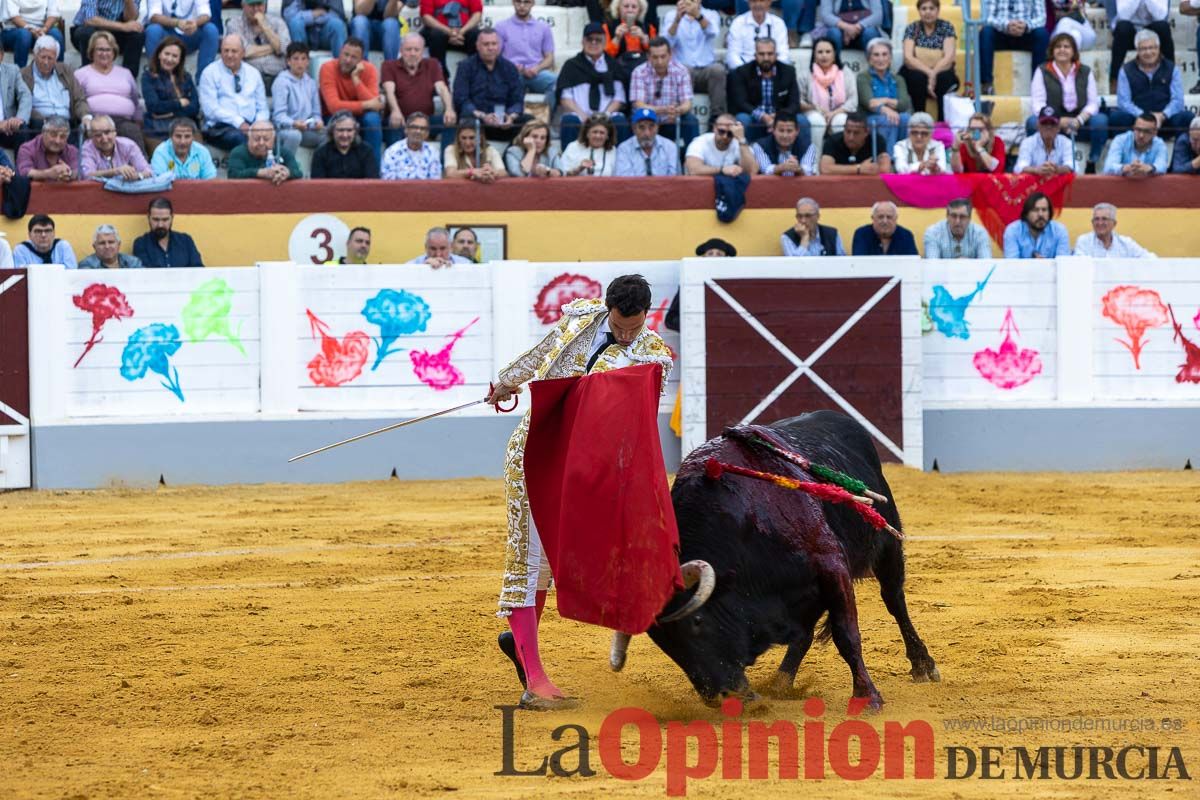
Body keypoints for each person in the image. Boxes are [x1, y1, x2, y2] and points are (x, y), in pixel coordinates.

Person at [487, 274, 673, 711]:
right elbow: (540, 356)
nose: (627, 333)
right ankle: (534, 679)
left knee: (556, 560)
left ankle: (521, 641)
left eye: (635, 325)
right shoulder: (582, 318)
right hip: (537, 451)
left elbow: (637, 427)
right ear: (608, 308)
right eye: (620, 324)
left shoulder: (654, 356)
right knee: (529, 559)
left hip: (591, 469)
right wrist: (505, 382)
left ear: (649, 315)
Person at [1028, 32, 1106, 173]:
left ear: (1073, 51)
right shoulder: (1042, 71)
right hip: (1051, 118)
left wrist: (1079, 120)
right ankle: (1040, 161)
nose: (1062, 50)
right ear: (1052, 50)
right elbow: (1038, 104)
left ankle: (1092, 161)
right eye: (1058, 46)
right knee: (1032, 122)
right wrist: (1057, 121)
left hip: (1080, 120)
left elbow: (1093, 103)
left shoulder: (1085, 71)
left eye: (1066, 46)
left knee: (1100, 121)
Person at [1111, 29, 1193, 140]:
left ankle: (1179, 153)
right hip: (1138, 121)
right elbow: (1124, 102)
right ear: (1137, 50)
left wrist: (1162, 115)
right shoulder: (1126, 70)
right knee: (1117, 117)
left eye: (1152, 48)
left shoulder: (1171, 68)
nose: (1148, 52)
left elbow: (1178, 100)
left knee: (1187, 117)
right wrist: (1145, 117)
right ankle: (1128, 151)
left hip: (1164, 121)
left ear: (1159, 48)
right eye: (1143, 49)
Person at [452, 28, 530, 145]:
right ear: (477, 46)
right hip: (478, 121)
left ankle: (513, 156)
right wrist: (483, 116)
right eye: (486, 44)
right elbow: (461, 100)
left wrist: (510, 117)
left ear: (499, 45)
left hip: (504, 123)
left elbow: (518, 100)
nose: (491, 48)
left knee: (530, 122)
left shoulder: (509, 68)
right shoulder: (465, 67)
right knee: (467, 120)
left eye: (494, 44)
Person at [557, 23, 628, 146]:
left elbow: (619, 98)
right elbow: (565, 98)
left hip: (606, 115)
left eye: (598, 40)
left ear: (605, 42)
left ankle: (620, 162)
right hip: (580, 115)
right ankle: (568, 162)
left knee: (620, 121)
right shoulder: (571, 66)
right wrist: (583, 116)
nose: (593, 43)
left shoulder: (613, 66)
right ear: (583, 41)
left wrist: (604, 116)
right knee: (569, 120)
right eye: (589, 39)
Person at [382, 33, 456, 148]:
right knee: (393, 124)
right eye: (408, 49)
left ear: (422, 52)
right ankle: (395, 164)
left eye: (416, 50)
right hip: (401, 120)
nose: (412, 53)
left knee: (450, 122)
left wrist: (449, 109)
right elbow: (389, 91)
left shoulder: (432, 64)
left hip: (425, 121)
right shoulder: (389, 66)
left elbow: (442, 88)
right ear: (401, 50)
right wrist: (395, 110)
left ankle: (444, 164)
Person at [75, 31, 145, 152]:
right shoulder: (81, 74)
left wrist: (138, 121)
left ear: (114, 52)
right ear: (92, 51)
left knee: (132, 131)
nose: (104, 53)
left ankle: (142, 170)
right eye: (100, 49)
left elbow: (135, 100)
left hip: (123, 120)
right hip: (94, 120)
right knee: (98, 133)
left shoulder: (125, 73)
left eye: (108, 49)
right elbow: (76, 100)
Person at [199, 34, 269, 151]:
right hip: (220, 128)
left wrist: (258, 126)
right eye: (225, 51)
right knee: (242, 140)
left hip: (251, 125)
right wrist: (239, 123)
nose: (229, 55)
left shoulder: (254, 73)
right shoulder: (209, 73)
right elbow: (210, 110)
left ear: (243, 53)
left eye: (234, 51)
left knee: (271, 137)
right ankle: (251, 169)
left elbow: (262, 108)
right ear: (220, 51)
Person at [728, 37, 802, 146]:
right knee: (742, 119)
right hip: (753, 117)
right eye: (761, 54)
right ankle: (743, 156)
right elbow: (741, 103)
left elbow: (794, 103)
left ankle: (803, 159)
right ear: (755, 55)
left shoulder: (788, 72)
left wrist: (779, 116)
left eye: (770, 54)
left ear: (776, 55)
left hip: (781, 117)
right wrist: (763, 116)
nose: (766, 58)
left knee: (802, 121)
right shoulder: (742, 72)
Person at [320, 37, 384, 163]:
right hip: (334, 117)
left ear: (361, 60)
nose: (348, 60)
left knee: (373, 119)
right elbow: (333, 107)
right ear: (340, 53)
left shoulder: (369, 69)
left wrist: (356, 79)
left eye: (354, 57)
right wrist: (366, 104)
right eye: (345, 54)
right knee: (363, 118)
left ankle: (373, 173)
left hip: (360, 117)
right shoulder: (328, 68)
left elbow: (375, 105)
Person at [660, 0, 726, 119]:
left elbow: (713, 33)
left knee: (718, 70)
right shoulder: (671, 15)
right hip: (682, 70)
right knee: (684, 70)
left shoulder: (711, 14)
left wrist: (698, 16)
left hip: (706, 70)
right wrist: (677, 20)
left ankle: (717, 117)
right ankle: (685, 115)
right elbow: (667, 43)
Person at [630, 37, 699, 148]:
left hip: (671, 120)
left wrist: (678, 110)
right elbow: (638, 104)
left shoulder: (681, 71)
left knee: (690, 121)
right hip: (647, 120)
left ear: (670, 55)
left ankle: (692, 158)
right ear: (648, 56)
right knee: (637, 118)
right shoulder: (639, 72)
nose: (659, 62)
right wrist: (663, 110)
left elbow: (687, 103)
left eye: (663, 56)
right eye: (655, 57)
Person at [898, 0, 958, 121]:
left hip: (940, 68)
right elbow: (908, 58)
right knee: (916, 78)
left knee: (945, 78)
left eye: (931, 8)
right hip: (917, 69)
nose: (928, 12)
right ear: (919, 11)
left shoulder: (946, 27)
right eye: (924, 9)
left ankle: (942, 122)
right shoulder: (912, 28)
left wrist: (934, 73)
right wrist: (930, 73)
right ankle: (920, 119)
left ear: (938, 10)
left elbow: (949, 56)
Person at [495, 0, 557, 115]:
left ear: (533, 3)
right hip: (512, 72)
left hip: (536, 73)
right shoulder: (501, 27)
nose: (522, 6)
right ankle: (513, 120)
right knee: (507, 81)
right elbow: (496, 55)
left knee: (556, 82)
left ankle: (545, 121)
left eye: (526, 2)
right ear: (513, 2)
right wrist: (513, 67)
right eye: (518, 2)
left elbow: (549, 58)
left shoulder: (543, 27)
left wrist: (537, 68)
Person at [20, 36, 90, 135]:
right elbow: (23, 105)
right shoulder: (23, 75)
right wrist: (42, 120)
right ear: (35, 55)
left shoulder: (66, 71)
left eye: (50, 58)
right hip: (40, 126)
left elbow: (79, 98)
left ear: (56, 59)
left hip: (67, 125)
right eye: (43, 57)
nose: (46, 62)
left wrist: (85, 116)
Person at [978, 0, 1047, 96]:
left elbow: (1041, 18)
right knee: (986, 32)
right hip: (1001, 32)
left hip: (1026, 33)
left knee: (1041, 34)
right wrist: (1006, 25)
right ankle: (987, 84)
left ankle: (1038, 84)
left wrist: (1026, 25)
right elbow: (987, 17)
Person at [800, 36, 856, 148]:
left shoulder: (845, 73)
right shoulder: (806, 74)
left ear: (834, 54)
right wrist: (816, 109)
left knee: (841, 121)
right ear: (814, 55)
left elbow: (853, 101)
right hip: (814, 112)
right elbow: (799, 100)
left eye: (828, 51)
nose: (824, 55)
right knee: (817, 122)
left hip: (839, 112)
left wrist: (832, 114)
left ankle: (839, 159)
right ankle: (815, 161)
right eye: (820, 52)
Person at [141, 36, 201, 142]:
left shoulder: (186, 77)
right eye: (167, 54)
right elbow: (153, 106)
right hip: (158, 130)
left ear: (180, 59)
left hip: (186, 128)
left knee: (197, 155)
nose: (169, 59)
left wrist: (170, 113)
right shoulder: (148, 77)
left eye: (174, 56)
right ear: (159, 54)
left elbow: (194, 107)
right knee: (167, 159)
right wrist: (179, 103)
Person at [857, 38, 911, 154]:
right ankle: (888, 159)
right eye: (876, 55)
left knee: (905, 118)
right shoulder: (863, 77)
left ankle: (903, 158)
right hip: (870, 117)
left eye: (884, 54)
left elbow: (904, 104)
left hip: (894, 115)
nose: (881, 59)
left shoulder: (898, 79)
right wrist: (887, 108)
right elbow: (869, 102)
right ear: (869, 59)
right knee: (887, 120)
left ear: (890, 58)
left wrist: (883, 100)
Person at [143, 0, 219, 77]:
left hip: (191, 32)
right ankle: (156, 77)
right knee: (153, 30)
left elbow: (206, 13)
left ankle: (203, 79)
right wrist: (177, 23)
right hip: (167, 33)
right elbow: (154, 16)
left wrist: (195, 23)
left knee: (211, 30)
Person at [272, 42, 324, 154]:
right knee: (294, 135)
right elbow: (278, 116)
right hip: (285, 129)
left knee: (330, 136)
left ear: (308, 62)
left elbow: (316, 113)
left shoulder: (311, 83)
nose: (300, 63)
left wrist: (317, 122)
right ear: (288, 61)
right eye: (295, 59)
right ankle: (285, 168)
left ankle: (318, 169)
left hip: (306, 129)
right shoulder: (281, 82)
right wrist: (294, 123)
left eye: (303, 59)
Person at [1109, 0, 1171, 92]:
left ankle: (1170, 75)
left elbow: (1160, 16)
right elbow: (1123, 15)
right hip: (1130, 31)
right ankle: (1115, 78)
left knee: (1163, 27)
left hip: (1152, 30)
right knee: (1123, 27)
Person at [71, 0, 145, 77]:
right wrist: (123, 26)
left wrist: (128, 2)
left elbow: (130, 19)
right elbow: (90, 19)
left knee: (137, 35)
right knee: (86, 33)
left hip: (117, 32)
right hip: (90, 30)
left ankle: (128, 79)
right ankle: (88, 78)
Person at [225, 0, 290, 83]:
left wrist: (264, 25)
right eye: (252, 5)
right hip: (247, 78)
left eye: (259, 4)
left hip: (279, 76)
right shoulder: (234, 24)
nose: (256, 9)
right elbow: (245, 51)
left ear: (265, 5)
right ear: (243, 5)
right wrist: (274, 47)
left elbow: (286, 49)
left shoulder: (277, 22)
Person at [132, 196, 205, 267]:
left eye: (165, 220)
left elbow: (198, 270)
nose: (160, 225)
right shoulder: (141, 244)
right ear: (148, 218)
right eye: (155, 219)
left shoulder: (186, 241)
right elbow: (145, 274)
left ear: (172, 218)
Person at [80, 113, 152, 180]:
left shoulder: (129, 145)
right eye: (98, 135)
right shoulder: (87, 148)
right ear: (91, 137)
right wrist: (115, 171)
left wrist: (138, 176)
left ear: (115, 132)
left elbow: (148, 171)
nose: (104, 139)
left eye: (107, 132)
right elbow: (86, 175)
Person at [228, 119, 304, 182]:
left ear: (273, 140)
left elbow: (298, 173)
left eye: (266, 139)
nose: (261, 143)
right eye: (257, 139)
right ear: (249, 138)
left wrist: (287, 172)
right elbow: (234, 175)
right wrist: (260, 173)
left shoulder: (283, 152)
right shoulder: (238, 152)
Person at [311, 110, 379, 178]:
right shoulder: (321, 153)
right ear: (332, 131)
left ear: (355, 131)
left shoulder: (366, 151)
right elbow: (317, 185)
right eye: (340, 130)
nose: (345, 135)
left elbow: (372, 181)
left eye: (349, 130)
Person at [1072, 202, 1155, 258]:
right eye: (1096, 219)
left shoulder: (1125, 243)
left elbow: (1149, 258)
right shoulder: (1084, 242)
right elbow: (1080, 266)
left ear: (1114, 223)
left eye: (1104, 219)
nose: (1100, 223)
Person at [1002, 191, 1070, 259]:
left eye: (1044, 210)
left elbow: (1063, 264)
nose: (1040, 214)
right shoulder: (1013, 231)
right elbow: (1011, 264)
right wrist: (1035, 265)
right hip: (1021, 270)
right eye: (1035, 210)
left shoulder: (1059, 231)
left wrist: (1045, 265)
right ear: (1026, 214)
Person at [819, 111, 892, 174]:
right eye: (848, 131)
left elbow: (885, 168)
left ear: (866, 132)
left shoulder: (876, 140)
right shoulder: (833, 141)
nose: (851, 137)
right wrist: (859, 168)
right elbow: (825, 168)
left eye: (856, 133)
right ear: (844, 129)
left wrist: (839, 169)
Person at [421, 0, 482, 74]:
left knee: (476, 35)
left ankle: (474, 72)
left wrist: (462, 31)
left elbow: (477, 14)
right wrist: (449, 32)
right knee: (435, 35)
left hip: (463, 32)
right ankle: (440, 74)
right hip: (440, 31)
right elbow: (426, 17)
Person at [614, 107, 680, 175]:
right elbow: (624, 181)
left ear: (657, 127)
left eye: (651, 127)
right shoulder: (624, 149)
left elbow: (674, 178)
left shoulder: (670, 147)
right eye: (641, 127)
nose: (647, 133)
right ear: (634, 129)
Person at [684, 112, 755, 175]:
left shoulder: (738, 142)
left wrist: (741, 139)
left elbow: (752, 171)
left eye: (730, 133)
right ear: (714, 128)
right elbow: (693, 170)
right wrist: (722, 170)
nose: (725, 136)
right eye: (721, 131)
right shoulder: (700, 142)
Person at [725, 0, 789, 69]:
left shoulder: (778, 23)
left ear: (769, 3)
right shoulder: (738, 23)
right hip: (743, 71)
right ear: (749, 3)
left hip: (771, 70)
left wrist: (772, 71)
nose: (758, 4)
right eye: (754, 1)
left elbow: (783, 54)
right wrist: (744, 72)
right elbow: (733, 55)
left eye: (762, 1)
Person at [1102, 112, 1168, 177]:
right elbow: (1108, 168)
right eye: (1138, 130)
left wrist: (1150, 168)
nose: (1141, 135)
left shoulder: (1160, 144)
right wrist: (1124, 168)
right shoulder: (1120, 140)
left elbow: (1162, 167)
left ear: (1155, 132)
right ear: (1133, 128)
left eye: (1147, 131)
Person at [602, 0, 656, 78]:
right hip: (617, 72)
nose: (630, 10)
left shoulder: (648, 28)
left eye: (634, 7)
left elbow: (656, 53)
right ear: (618, 9)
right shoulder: (607, 27)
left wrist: (643, 38)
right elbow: (604, 56)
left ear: (639, 10)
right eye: (626, 6)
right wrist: (617, 39)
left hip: (643, 73)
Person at [1015, 106, 1075, 176]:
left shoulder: (1067, 143)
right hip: (1034, 186)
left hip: (1061, 185)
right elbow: (1020, 167)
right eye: (1044, 123)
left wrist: (1057, 169)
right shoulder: (1027, 142)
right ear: (1038, 126)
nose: (1048, 127)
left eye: (1053, 123)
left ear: (1058, 127)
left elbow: (1072, 166)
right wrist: (1036, 170)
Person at [923, 197, 991, 259]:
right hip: (942, 273)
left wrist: (968, 264)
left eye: (962, 216)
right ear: (947, 216)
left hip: (972, 272)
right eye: (953, 216)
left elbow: (986, 265)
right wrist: (956, 265)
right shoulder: (933, 233)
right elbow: (932, 265)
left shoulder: (979, 234)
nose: (957, 221)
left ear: (969, 218)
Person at [2, 0, 63, 68]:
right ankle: (20, 73)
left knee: (56, 35)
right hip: (14, 30)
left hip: (40, 29)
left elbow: (53, 14)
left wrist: (45, 29)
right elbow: (14, 16)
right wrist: (31, 29)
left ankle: (59, 72)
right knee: (24, 35)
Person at [381, 112, 442, 179]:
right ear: (406, 129)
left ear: (427, 133)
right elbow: (387, 183)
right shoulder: (392, 152)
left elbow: (435, 182)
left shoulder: (433, 153)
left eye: (423, 128)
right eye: (414, 127)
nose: (418, 131)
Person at [150, 116, 216, 178]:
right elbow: (159, 183)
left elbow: (210, 181)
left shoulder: (202, 152)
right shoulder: (161, 152)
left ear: (193, 137)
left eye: (187, 136)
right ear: (170, 137)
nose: (183, 142)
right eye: (178, 136)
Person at [16, 114, 78, 180]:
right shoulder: (27, 149)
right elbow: (24, 172)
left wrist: (69, 173)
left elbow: (79, 172)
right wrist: (48, 174)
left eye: (62, 137)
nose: (57, 141)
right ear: (43, 132)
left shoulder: (72, 151)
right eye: (53, 135)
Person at [752, 115, 819, 175]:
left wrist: (798, 168)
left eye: (789, 131)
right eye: (781, 130)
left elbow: (808, 171)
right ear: (773, 130)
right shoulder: (760, 145)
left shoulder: (808, 146)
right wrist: (782, 167)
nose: (785, 135)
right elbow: (765, 169)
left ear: (797, 131)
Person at [282, 0, 347, 60]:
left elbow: (336, 16)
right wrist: (312, 14)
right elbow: (289, 16)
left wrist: (307, 18)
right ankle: (299, 67)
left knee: (337, 24)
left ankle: (340, 67)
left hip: (324, 34)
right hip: (303, 34)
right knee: (296, 23)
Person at [815, 0, 884, 56]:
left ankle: (874, 71)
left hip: (863, 29)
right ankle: (834, 69)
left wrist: (858, 27)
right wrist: (846, 27)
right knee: (834, 33)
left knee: (870, 32)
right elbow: (826, 15)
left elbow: (878, 16)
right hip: (840, 31)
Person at [781, 196, 845, 255]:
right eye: (799, 216)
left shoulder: (832, 234)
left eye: (808, 216)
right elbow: (795, 264)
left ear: (817, 216)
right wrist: (804, 238)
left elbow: (842, 262)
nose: (803, 221)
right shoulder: (787, 237)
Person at [851, 200, 918, 256]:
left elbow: (912, 265)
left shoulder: (906, 236)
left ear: (896, 218)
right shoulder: (862, 234)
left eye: (889, 217)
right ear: (872, 218)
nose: (885, 221)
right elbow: (859, 264)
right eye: (880, 217)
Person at [0, 39, 32, 149]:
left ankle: (22, 166)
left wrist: (19, 119)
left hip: (8, 127)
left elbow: (25, 95)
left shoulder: (12, 71)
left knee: (23, 129)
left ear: (2, 55)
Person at [12, 213, 77, 266]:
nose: (43, 235)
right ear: (29, 235)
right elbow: (21, 279)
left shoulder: (63, 247)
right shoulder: (21, 250)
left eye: (48, 231)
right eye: (38, 231)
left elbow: (71, 274)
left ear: (54, 233)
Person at [79, 224, 143, 269]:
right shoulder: (86, 266)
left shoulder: (133, 262)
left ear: (119, 244)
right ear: (94, 246)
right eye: (102, 243)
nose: (107, 246)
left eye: (111, 242)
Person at [408, 226, 472, 267]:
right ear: (426, 247)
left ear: (450, 247)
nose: (438, 254)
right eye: (433, 249)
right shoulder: (412, 266)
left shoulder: (465, 264)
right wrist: (423, 269)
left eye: (443, 248)